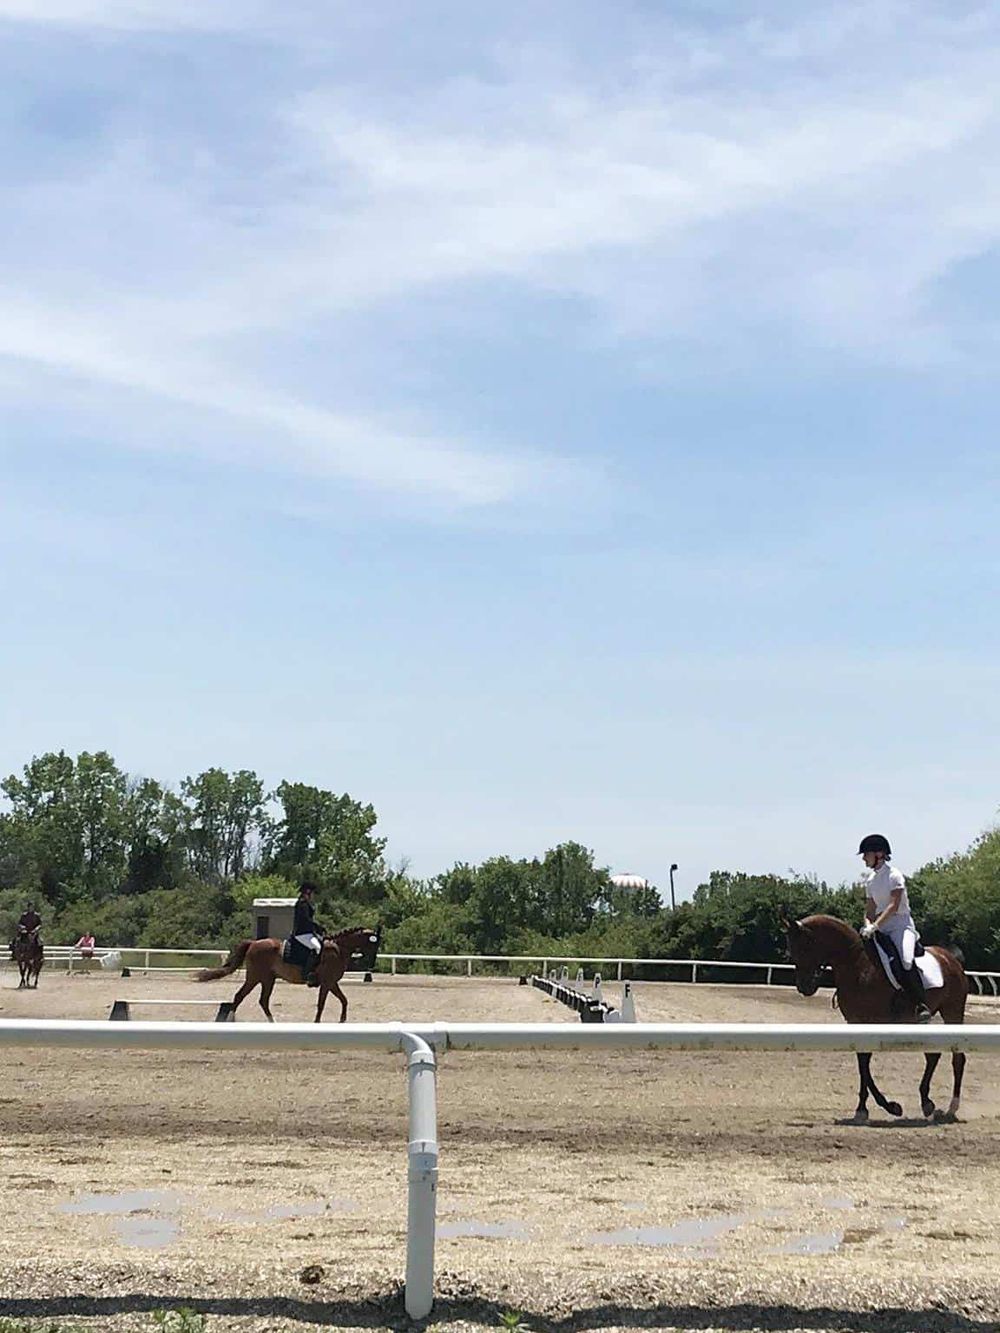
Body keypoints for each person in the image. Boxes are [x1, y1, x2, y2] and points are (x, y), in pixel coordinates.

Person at [858, 834, 930, 1023]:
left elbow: (893, 906)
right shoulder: (871, 880)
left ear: (879, 854)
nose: (864, 858)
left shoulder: (894, 875)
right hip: (879, 927)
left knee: (906, 960)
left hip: (900, 925)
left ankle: (921, 1005)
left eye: (866, 854)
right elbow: (870, 910)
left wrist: (875, 925)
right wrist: (867, 924)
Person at [292, 882, 325, 986]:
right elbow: (306, 920)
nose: (313, 896)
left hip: (308, 932)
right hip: (302, 933)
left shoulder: (305, 903)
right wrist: (317, 927)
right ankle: (308, 974)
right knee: (317, 948)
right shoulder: (302, 904)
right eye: (312, 893)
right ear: (308, 892)